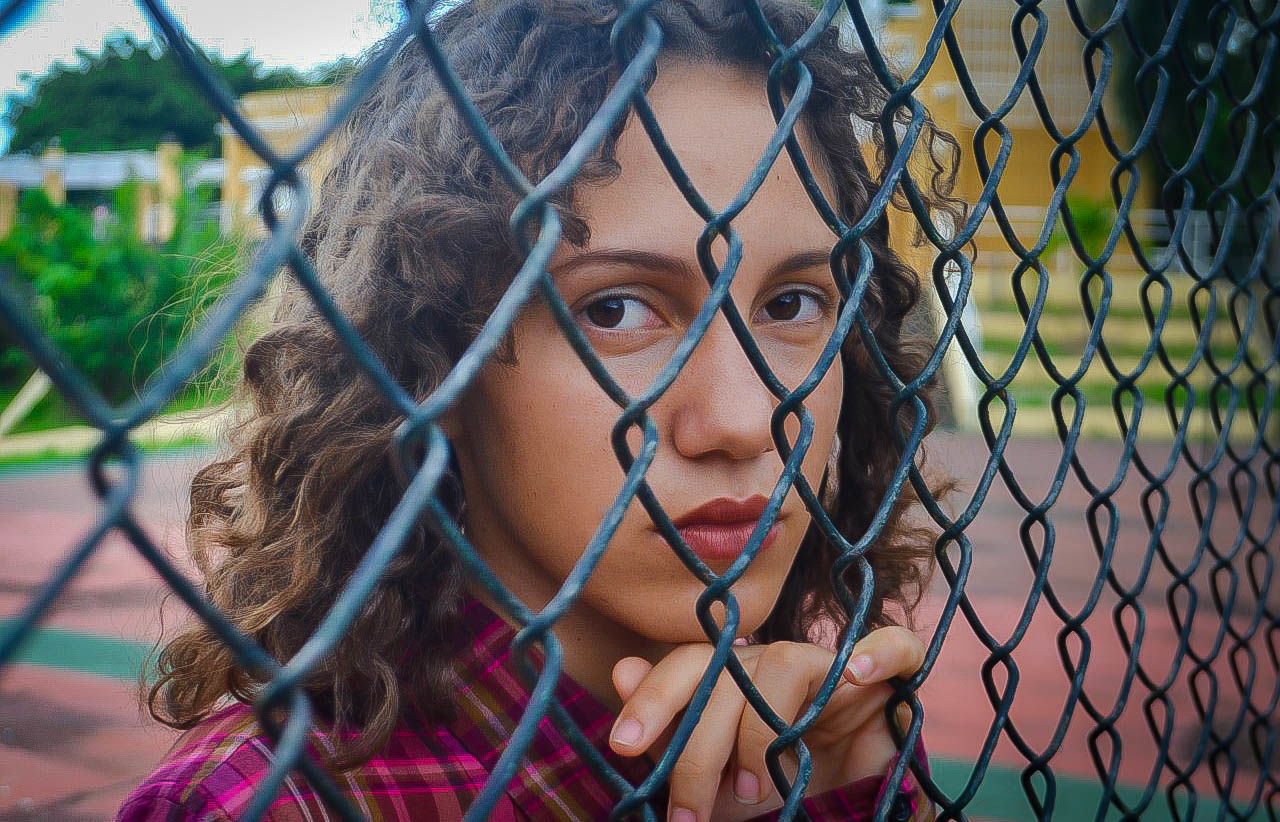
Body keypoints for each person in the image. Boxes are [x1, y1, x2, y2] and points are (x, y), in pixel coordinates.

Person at [118, 0, 962, 819]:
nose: (746, 420)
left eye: (792, 304)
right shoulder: (272, 804)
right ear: (431, 367)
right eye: (616, 310)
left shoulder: (837, 749)